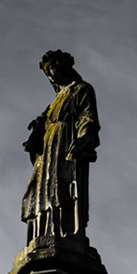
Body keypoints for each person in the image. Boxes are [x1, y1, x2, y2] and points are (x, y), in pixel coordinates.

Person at [21, 50, 99, 247]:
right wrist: (37, 132)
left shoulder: (81, 90)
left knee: (63, 188)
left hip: (64, 145)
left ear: (63, 66)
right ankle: (44, 232)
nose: (50, 74)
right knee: (43, 191)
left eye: (52, 68)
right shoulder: (53, 104)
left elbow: (88, 118)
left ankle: (65, 231)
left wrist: (84, 138)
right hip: (48, 151)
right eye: (47, 72)